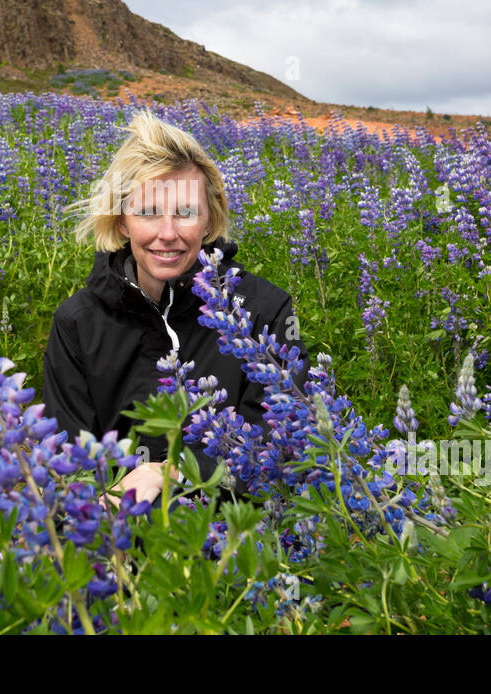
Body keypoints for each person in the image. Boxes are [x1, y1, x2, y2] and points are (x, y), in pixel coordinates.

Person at [42, 110, 307, 509]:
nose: (168, 233)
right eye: (148, 211)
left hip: (241, 547)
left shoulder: (263, 310)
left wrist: (174, 471)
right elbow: (67, 458)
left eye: (185, 212)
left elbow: (286, 443)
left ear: (208, 220)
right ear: (122, 221)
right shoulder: (78, 323)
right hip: (117, 545)